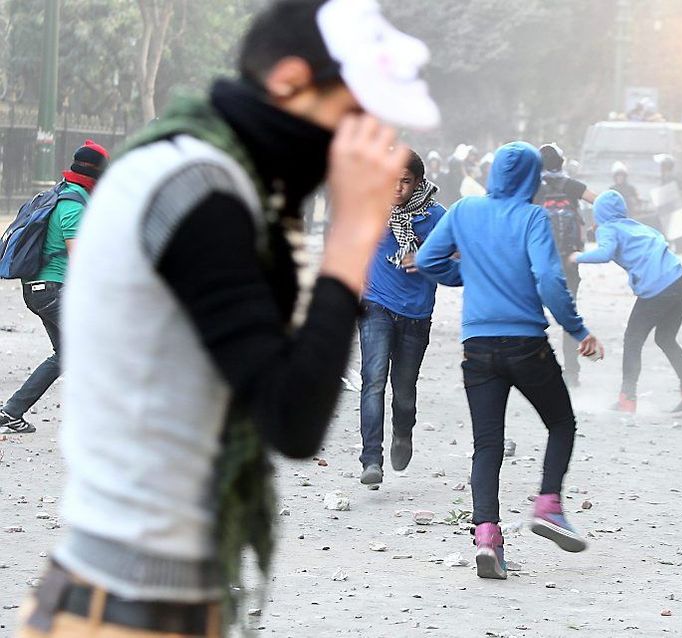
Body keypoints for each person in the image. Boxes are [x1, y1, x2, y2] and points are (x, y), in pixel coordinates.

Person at [15, 1, 437, 636]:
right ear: (291, 81)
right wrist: (352, 234)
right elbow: (292, 417)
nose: (357, 145)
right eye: (352, 117)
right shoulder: (202, 192)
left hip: (131, 591)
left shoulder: (194, 170)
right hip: (133, 607)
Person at [416, 141, 604, 581]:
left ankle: (487, 537)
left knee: (488, 444)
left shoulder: (464, 211)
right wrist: (578, 330)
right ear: (533, 179)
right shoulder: (532, 217)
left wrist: (464, 274)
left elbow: (427, 259)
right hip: (526, 345)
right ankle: (549, 506)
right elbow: (550, 280)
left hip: (477, 348)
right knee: (560, 424)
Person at [357, 150, 459, 485]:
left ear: (418, 183)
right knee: (373, 381)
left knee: (403, 390)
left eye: (405, 181)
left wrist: (427, 259)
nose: (397, 188)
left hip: (416, 314)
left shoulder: (435, 216)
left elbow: (459, 257)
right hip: (375, 305)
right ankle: (371, 458)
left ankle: (403, 432)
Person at [0, 140, 109, 435]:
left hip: (39, 290)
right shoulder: (73, 206)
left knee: (67, 354)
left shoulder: (62, 195)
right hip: (52, 291)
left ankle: (11, 412)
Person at [569, 190, 682, 415]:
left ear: (599, 214)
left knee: (632, 340)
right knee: (666, 339)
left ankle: (626, 400)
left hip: (658, 288)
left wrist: (576, 257)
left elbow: (605, 253)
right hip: (681, 281)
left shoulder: (608, 228)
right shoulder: (634, 226)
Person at [534, 142, 596, 387]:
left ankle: (538, 369)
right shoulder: (571, 186)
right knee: (569, 316)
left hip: (540, 263)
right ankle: (572, 374)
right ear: (562, 162)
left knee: (533, 317)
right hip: (569, 262)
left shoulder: (533, 189)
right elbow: (599, 201)